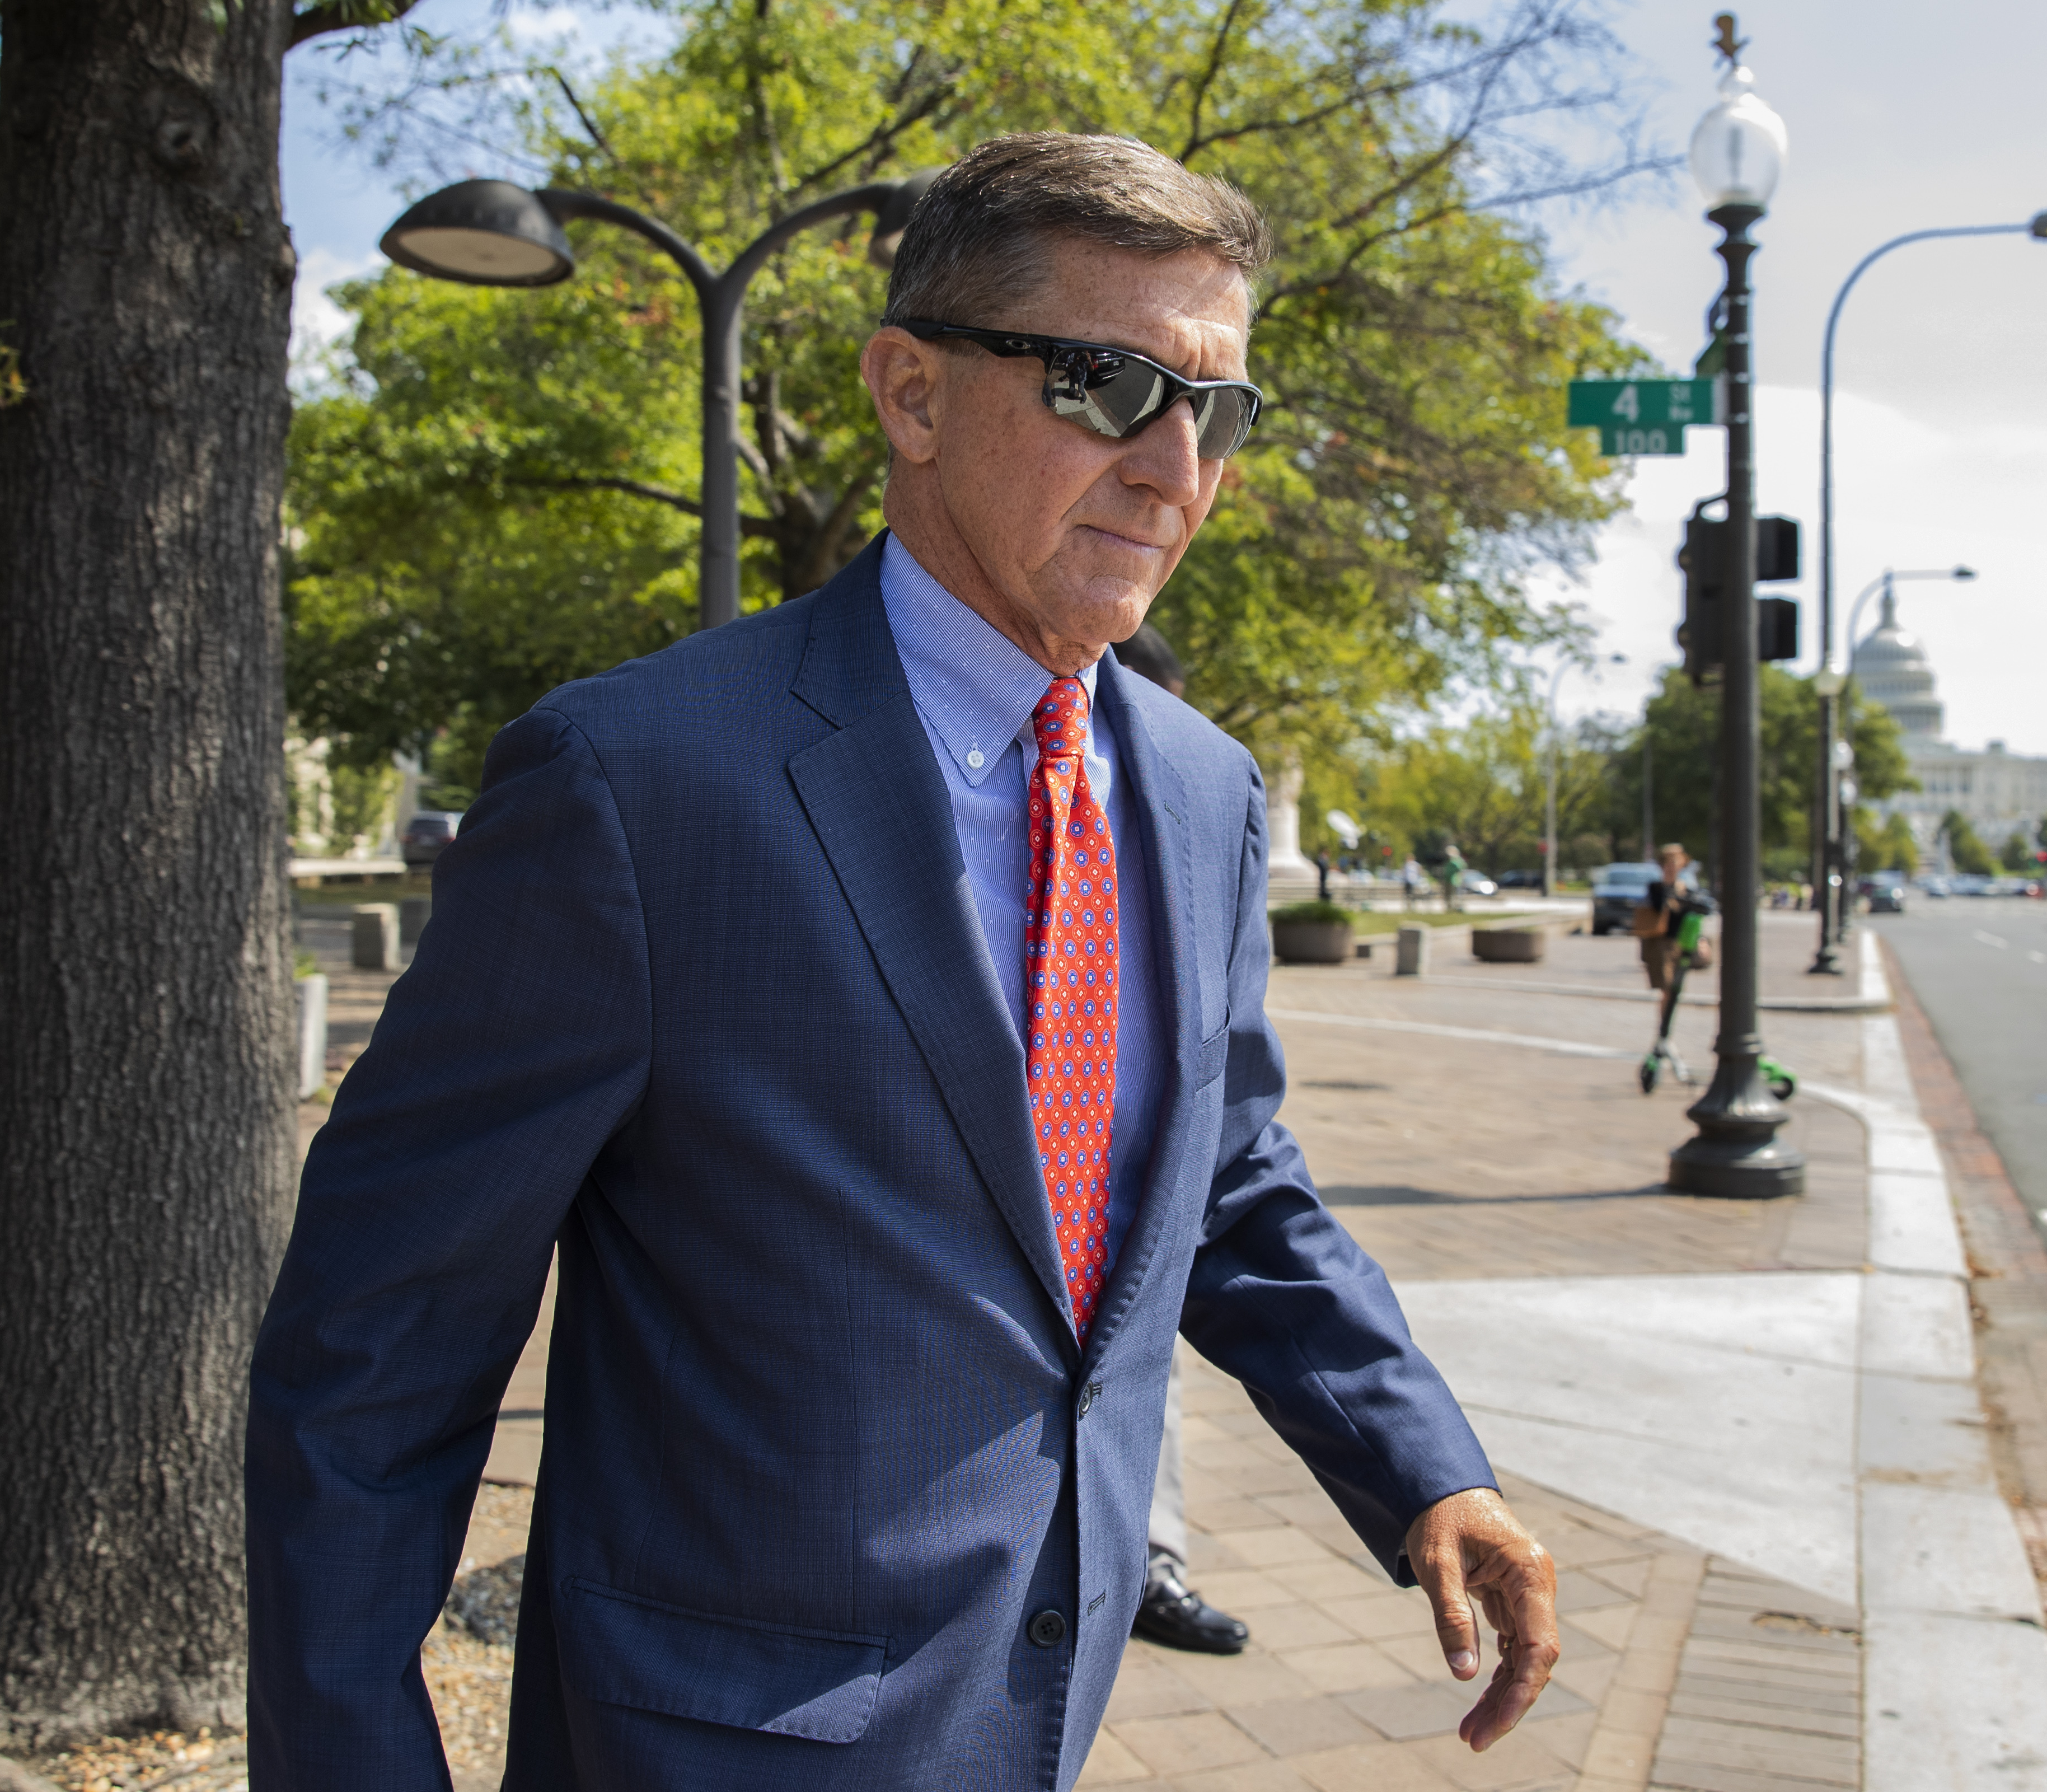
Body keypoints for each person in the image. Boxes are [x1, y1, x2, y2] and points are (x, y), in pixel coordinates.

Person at [247, 132, 1557, 1791]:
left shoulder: (1206, 790)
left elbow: (1226, 1186)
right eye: (1106, 383)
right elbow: (373, 1357)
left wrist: (1427, 1467)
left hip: (1050, 1713)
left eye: (1215, 409)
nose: (1176, 467)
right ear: (912, 395)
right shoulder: (636, 784)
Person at [1107, 623, 1251, 1658]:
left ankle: (1146, 1564)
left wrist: (1426, 1471)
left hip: (1147, 1223)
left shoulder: (1211, 797)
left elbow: (1241, 1142)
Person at [1632, 841, 1695, 993]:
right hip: (1659, 942)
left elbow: (1691, 915)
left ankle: (1666, 1017)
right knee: (1667, 988)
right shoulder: (1656, 887)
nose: (1673, 868)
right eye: (1669, 864)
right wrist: (1669, 886)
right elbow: (1659, 907)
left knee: (1675, 990)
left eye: (1676, 863)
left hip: (1679, 941)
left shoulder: (1687, 889)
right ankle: (1664, 1017)